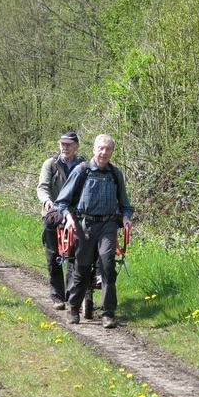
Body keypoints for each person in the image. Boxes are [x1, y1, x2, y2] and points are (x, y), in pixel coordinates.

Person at [55, 134, 135, 329]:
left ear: (112, 152)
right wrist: (69, 218)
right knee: (81, 269)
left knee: (107, 266)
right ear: (93, 149)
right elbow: (62, 202)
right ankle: (73, 308)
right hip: (84, 226)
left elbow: (125, 204)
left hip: (107, 226)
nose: (104, 152)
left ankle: (108, 313)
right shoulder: (81, 171)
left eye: (108, 149)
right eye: (101, 148)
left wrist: (126, 218)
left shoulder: (115, 174)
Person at [36, 132, 85, 310]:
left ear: (76, 146)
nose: (65, 147)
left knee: (74, 254)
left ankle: (72, 295)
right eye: (62, 144)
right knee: (53, 255)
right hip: (53, 214)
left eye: (69, 144)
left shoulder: (83, 165)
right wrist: (46, 201)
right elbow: (42, 187)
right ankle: (57, 296)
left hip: (74, 215)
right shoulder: (51, 164)